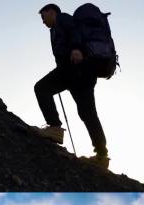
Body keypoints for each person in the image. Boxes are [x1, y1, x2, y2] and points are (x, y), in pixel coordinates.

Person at [35, 3, 110, 168]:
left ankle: (55, 128)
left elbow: (75, 31)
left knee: (41, 88)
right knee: (88, 113)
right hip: (84, 72)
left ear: (52, 11)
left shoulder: (63, 19)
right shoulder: (56, 28)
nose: (43, 21)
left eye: (43, 16)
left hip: (74, 68)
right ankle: (102, 156)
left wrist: (76, 49)